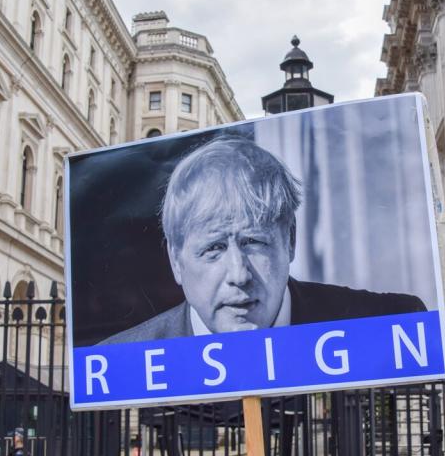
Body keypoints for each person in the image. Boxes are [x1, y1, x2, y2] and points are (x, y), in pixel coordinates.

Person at [100, 135, 425, 344]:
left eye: (254, 242)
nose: (239, 275)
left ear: (290, 240)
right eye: (214, 248)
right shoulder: (120, 355)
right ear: (176, 261)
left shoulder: (392, 322)